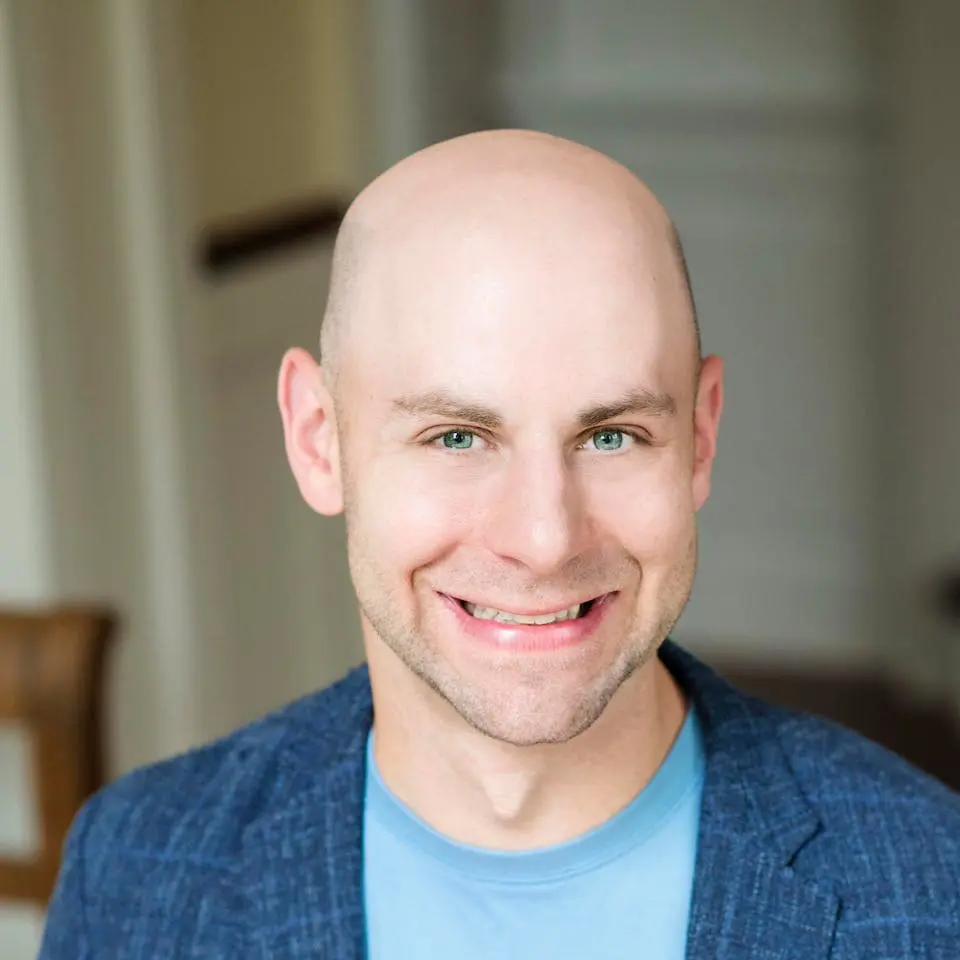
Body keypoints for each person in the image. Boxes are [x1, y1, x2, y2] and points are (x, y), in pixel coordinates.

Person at [41, 130, 959, 959]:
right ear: (318, 439)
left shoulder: (933, 893)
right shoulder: (135, 874)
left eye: (612, 436)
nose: (545, 539)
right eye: (457, 437)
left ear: (701, 436)